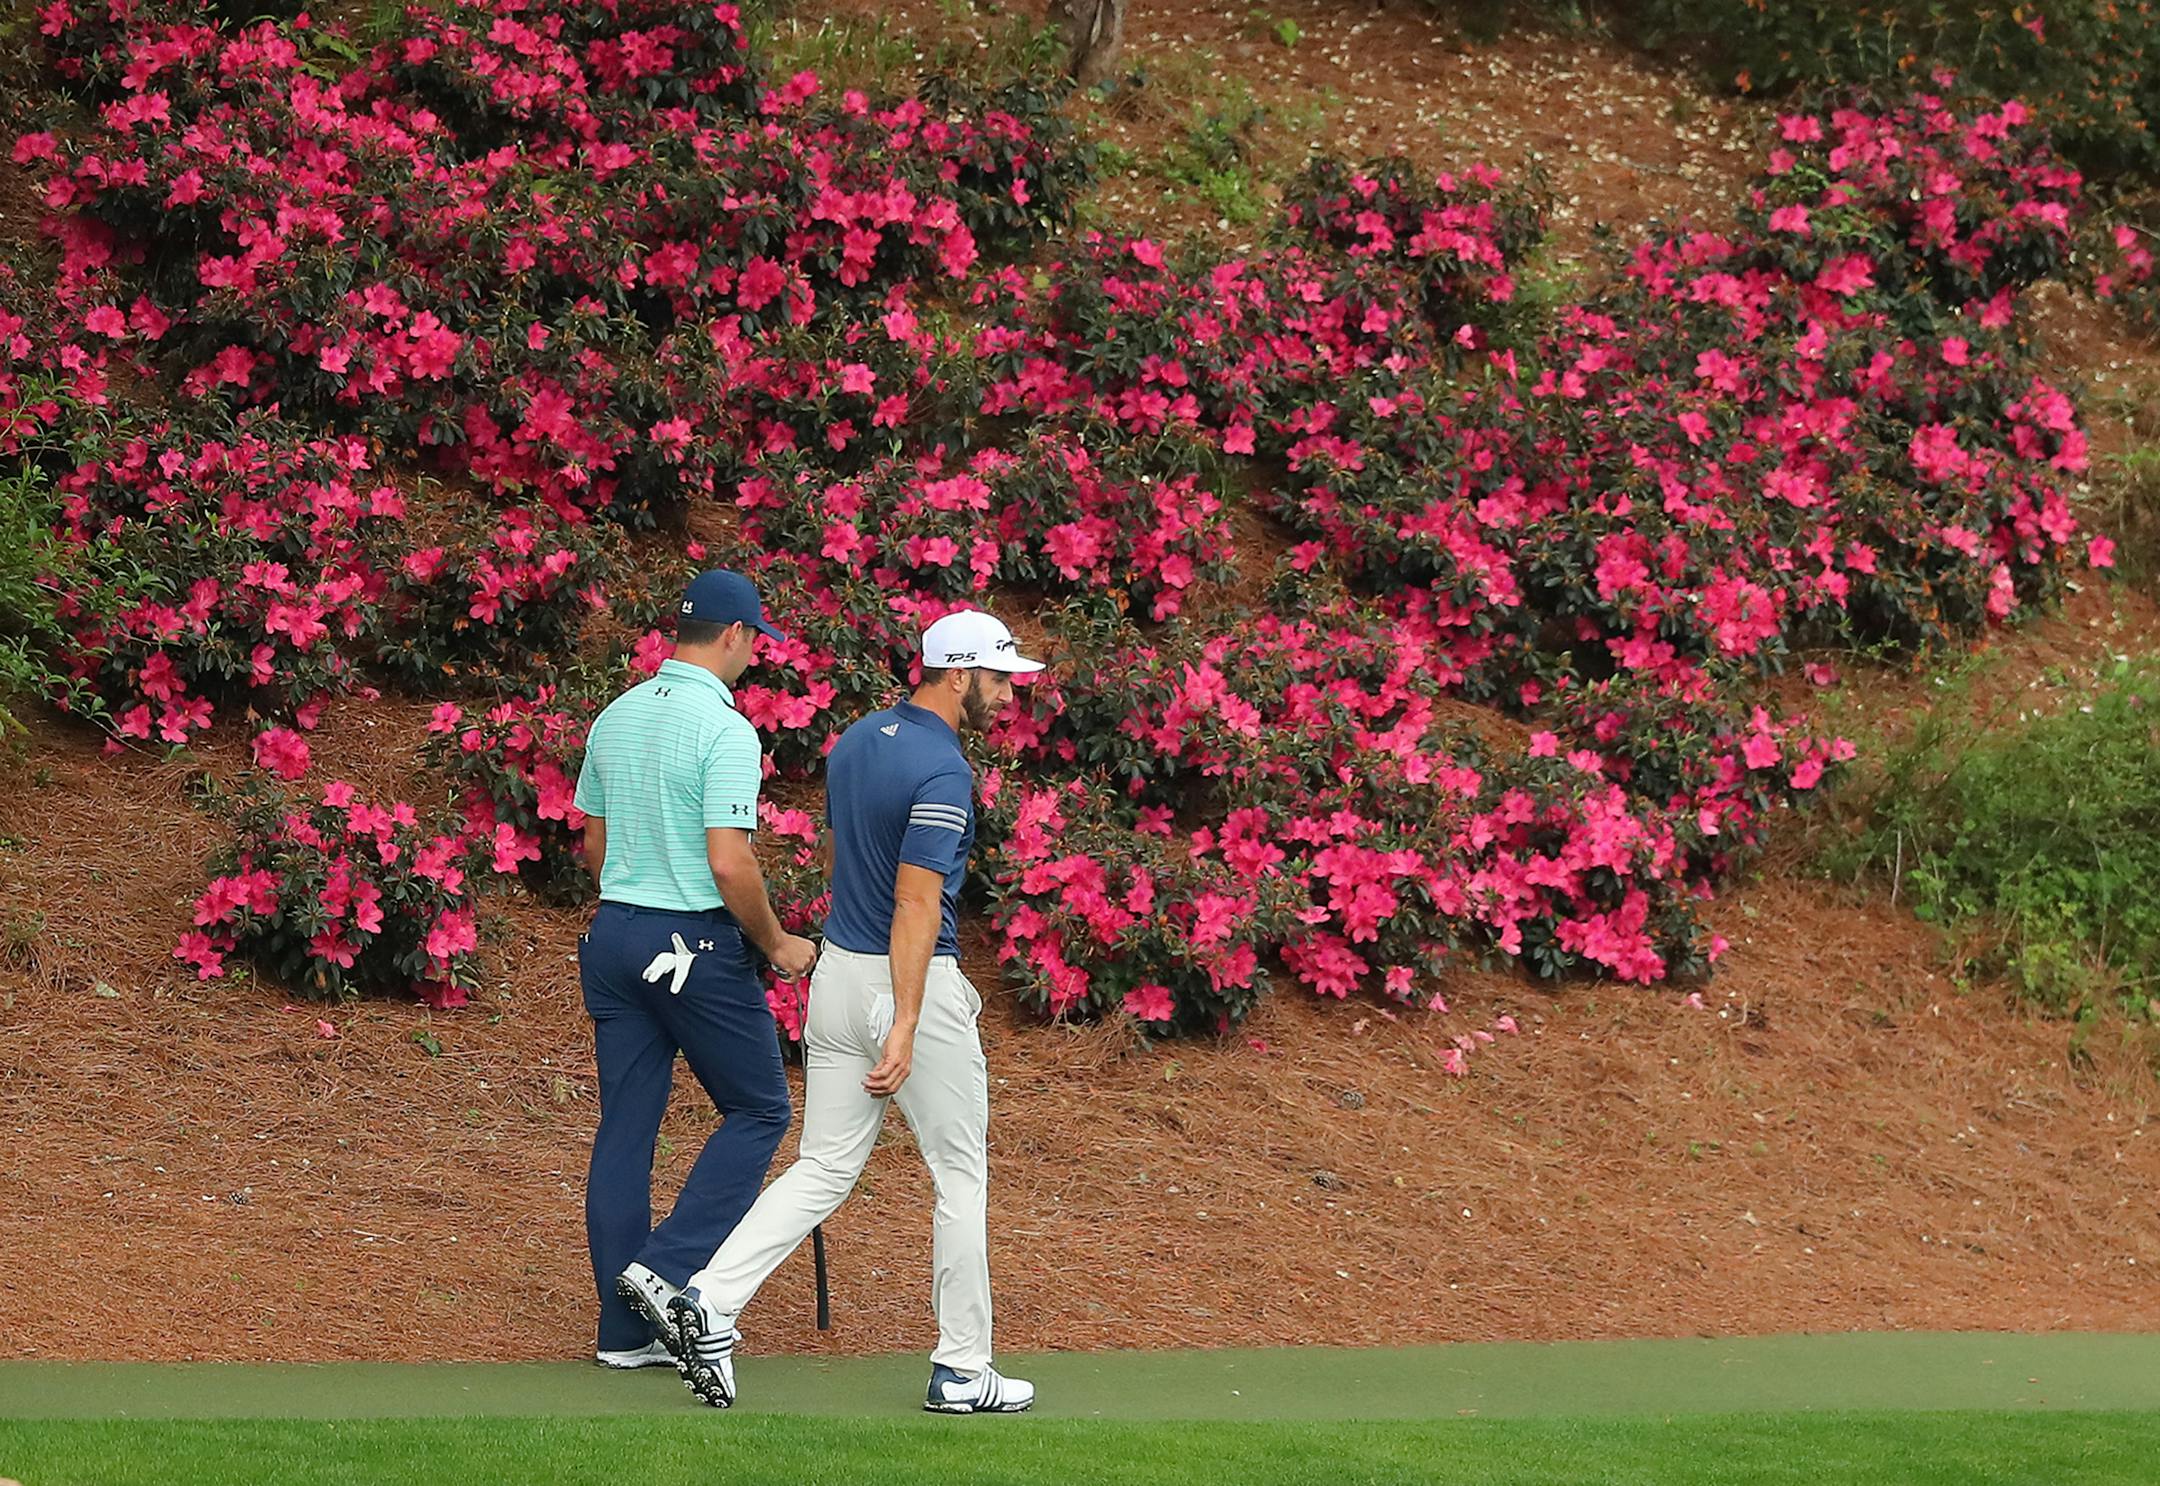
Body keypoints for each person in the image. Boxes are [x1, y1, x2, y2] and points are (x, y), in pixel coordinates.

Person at [666, 609, 1043, 1414]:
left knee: (824, 1166)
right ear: (955, 674)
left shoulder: (858, 740)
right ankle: (962, 1370)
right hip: (910, 986)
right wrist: (906, 1021)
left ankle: (710, 1298)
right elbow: (915, 900)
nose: (1010, 694)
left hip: (836, 975)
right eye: (1000, 677)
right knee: (959, 1177)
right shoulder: (944, 771)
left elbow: (853, 861)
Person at [570, 568, 817, 1369]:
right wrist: (779, 945)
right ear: (736, 635)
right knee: (759, 1110)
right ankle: (666, 1271)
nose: (754, 657)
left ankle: (623, 1334)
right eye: (755, 643)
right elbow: (729, 864)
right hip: (692, 946)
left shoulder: (615, 715)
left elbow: (596, 851)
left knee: (627, 1130)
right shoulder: (727, 730)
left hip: (613, 940)